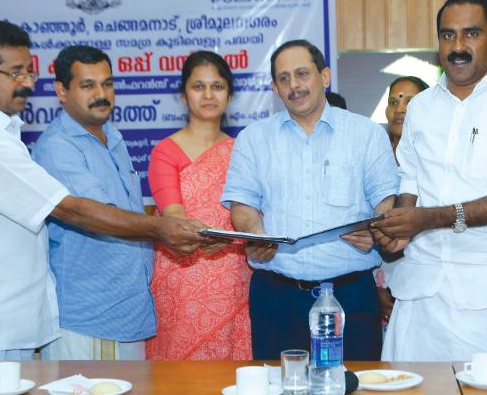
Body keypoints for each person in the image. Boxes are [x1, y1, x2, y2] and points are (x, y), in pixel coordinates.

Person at [0, 19, 211, 361]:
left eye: (29, 72)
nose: (26, 83)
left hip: (9, 323)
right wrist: (160, 227)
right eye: (16, 73)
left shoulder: (4, 136)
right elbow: (71, 209)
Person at [372, 0, 487, 361]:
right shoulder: (421, 106)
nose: (458, 46)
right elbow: (410, 181)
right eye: (448, 35)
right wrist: (400, 227)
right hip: (419, 290)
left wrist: (429, 219)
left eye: (471, 34)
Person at [220, 39, 399, 360]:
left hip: (351, 296)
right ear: (274, 87)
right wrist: (255, 234)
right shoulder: (253, 138)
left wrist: (376, 228)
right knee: (278, 386)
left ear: (325, 76)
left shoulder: (367, 134)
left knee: (356, 384)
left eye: (302, 74)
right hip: (277, 296)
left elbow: (387, 201)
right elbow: (243, 205)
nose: (294, 86)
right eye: (284, 78)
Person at [31, 46, 154, 360]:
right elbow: (99, 217)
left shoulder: (113, 136)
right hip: (88, 319)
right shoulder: (57, 147)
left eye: (107, 83)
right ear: (61, 90)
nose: (101, 94)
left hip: (127, 314)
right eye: (88, 86)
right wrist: (163, 228)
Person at [146, 51, 251, 360]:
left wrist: (229, 239)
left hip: (234, 275)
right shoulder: (165, 153)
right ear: (183, 95)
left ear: (229, 95)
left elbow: (256, 213)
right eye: (198, 86)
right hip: (182, 274)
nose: (208, 95)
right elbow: (173, 215)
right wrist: (204, 237)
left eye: (217, 86)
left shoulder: (243, 152)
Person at [376, 75, 429, 326]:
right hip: (377, 281)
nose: (401, 109)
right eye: (393, 101)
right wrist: (372, 289)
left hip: (425, 282)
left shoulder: (436, 163)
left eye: (410, 101)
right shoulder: (372, 160)